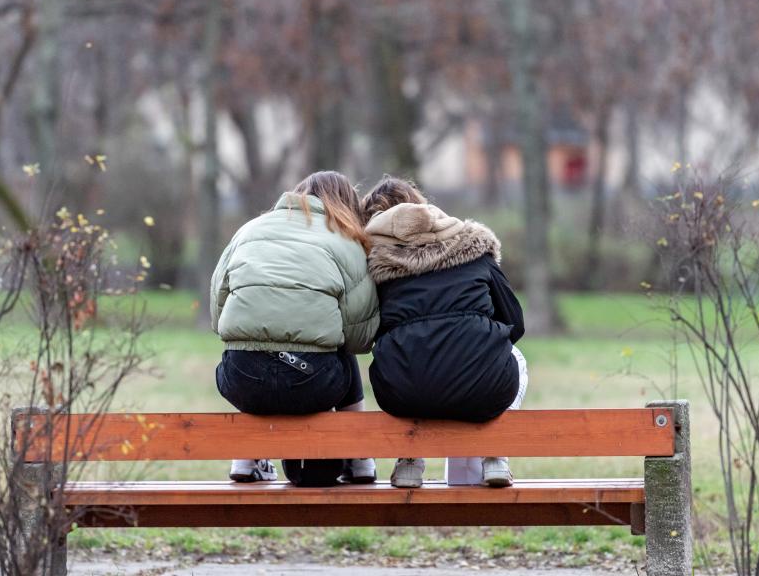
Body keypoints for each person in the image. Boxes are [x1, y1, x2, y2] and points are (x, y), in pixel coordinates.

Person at [210, 171, 380, 485]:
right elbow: (359, 336)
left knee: (249, 346)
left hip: (243, 379)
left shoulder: (248, 231)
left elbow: (217, 310)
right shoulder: (346, 241)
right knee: (342, 350)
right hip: (313, 382)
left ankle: (247, 460)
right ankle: (360, 458)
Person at [361, 177, 527, 488]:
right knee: (512, 358)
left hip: (403, 392)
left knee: (410, 363)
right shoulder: (474, 249)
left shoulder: (376, 266)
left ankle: (409, 460)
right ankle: (495, 455)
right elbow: (515, 322)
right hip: (482, 386)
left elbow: (365, 331)